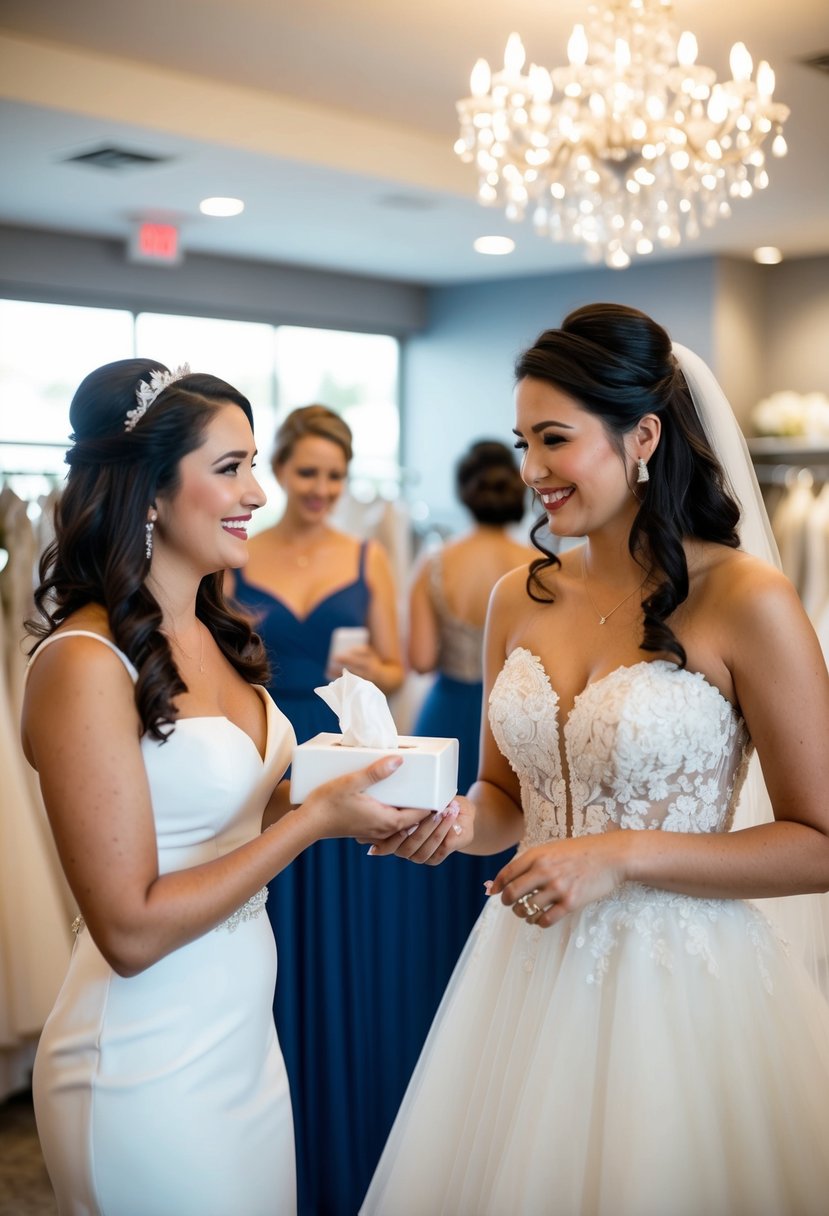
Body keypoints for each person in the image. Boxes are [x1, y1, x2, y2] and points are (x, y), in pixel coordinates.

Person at [361, 304, 829, 1216]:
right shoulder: (517, 597)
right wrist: (450, 825)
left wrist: (618, 853)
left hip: (686, 990)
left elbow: (817, 840)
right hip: (524, 966)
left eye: (554, 440)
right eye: (520, 441)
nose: (530, 470)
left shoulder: (747, 599)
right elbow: (506, 796)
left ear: (642, 435)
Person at [21, 359, 427, 1216]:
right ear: (151, 492)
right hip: (141, 1060)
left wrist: (361, 795)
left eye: (252, 464)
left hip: (245, 1043)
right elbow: (129, 931)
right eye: (230, 468)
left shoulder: (215, 633)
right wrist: (312, 820)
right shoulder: (85, 665)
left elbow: (240, 817)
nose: (258, 494)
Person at [226, 405, 417, 1215]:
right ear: (278, 469)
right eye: (306, 472)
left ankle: (356, 1142)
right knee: (275, 942)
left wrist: (374, 663)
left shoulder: (366, 554)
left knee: (348, 941)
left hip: (345, 753)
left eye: (335, 476)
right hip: (267, 760)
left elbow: (401, 664)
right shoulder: (235, 553)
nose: (321, 489)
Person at [409, 438, 534, 794]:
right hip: (515, 722)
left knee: (434, 831)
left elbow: (420, 660)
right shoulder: (539, 566)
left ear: (465, 492)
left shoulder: (433, 564)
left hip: (446, 714)